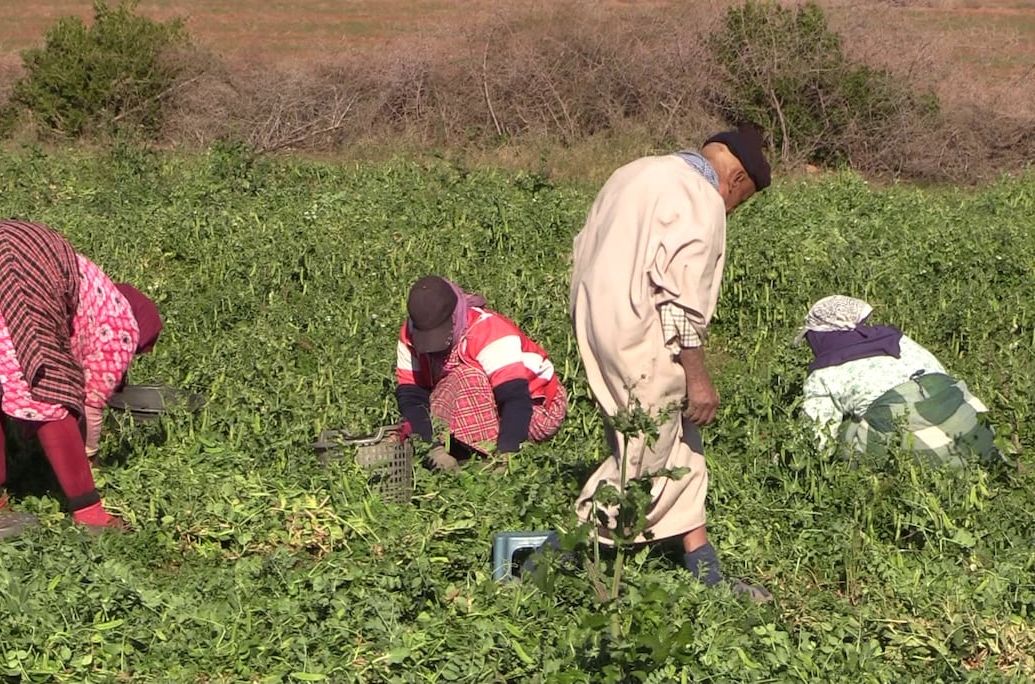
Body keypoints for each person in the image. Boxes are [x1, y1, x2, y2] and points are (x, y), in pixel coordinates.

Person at [568, 124, 772, 600]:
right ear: (737, 180)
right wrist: (698, 377)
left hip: (596, 323)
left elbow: (582, 249)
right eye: (741, 199)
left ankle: (708, 574)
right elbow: (680, 301)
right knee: (644, 458)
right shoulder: (700, 198)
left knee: (682, 443)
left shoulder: (634, 172)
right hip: (644, 335)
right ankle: (558, 553)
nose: (733, 208)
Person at [0, 219, 163, 530]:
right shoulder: (122, 327)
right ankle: (90, 514)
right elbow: (92, 403)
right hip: (18, 255)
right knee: (45, 381)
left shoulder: (98, 293)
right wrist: (89, 456)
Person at [797, 294, 1000, 467]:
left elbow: (815, 438)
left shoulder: (823, 374)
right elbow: (940, 372)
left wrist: (789, 459)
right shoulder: (898, 340)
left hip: (915, 446)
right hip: (972, 427)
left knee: (845, 429)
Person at [394, 275, 567, 470]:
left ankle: (487, 460)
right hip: (489, 406)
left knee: (466, 376)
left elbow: (515, 399)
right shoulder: (409, 334)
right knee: (451, 383)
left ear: (453, 317)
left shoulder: (488, 331)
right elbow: (412, 395)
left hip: (535, 409)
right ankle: (455, 452)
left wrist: (507, 456)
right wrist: (431, 447)